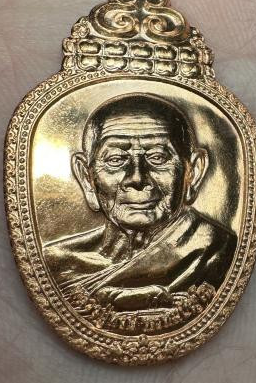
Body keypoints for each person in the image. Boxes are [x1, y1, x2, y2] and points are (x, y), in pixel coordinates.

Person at [44, 93, 237, 311]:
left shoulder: (219, 252)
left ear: (193, 172)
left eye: (157, 158)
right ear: (87, 178)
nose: (136, 178)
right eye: (116, 159)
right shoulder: (56, 263)